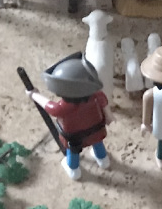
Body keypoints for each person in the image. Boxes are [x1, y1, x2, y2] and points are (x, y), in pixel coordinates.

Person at [26, 52, 114, 180]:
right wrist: (109, 117)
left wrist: (34, 95)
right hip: (96, 130)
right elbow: (105, 104)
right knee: (97, 142)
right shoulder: (97, 96)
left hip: (74, 137)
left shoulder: (62, 107)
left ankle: (74, 170)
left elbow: (49, 106)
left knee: (73, 152)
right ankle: (103, 160)